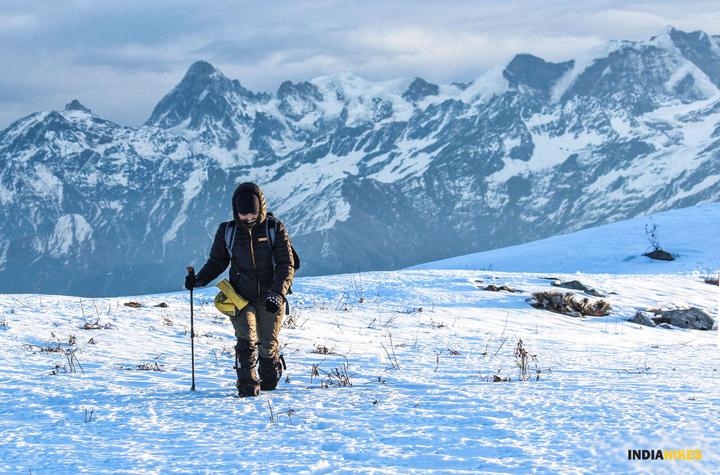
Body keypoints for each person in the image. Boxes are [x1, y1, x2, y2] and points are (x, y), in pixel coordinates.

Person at [185, 182, 295, 397]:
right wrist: (199, 280)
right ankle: (246, 386)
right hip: (240, 296)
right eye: (243, 216)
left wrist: (278, 293)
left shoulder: (275, 228)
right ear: (236, 212)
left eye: (252, 215)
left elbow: (286, 265)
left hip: (271, 295)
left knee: (267, 345)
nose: (248, 220)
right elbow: (218, 261)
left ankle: (270, 372)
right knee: (245, 340)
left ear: (260, 209)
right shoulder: (228, 231)